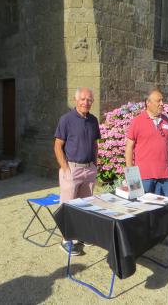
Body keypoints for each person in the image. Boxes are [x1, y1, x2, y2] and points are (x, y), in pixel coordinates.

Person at [54, 87, 100, 255]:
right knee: (67, 205)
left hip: (89, 169)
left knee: (85, 205)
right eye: (83, 99)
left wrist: (95, 164)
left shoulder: (93, 120)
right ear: (76, 100)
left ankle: (82, 234)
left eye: (89, 100)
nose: (86, 102)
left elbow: (95, 144)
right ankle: (65, 240)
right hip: (72, 169)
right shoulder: (66, 119)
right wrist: (65, 168)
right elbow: (58, 145)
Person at [125, 89, 168, 195]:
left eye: (162, 100)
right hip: (144, 177)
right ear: (148, 102)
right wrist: (130, 173)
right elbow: (129, 147)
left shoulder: (165, 120)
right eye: (158, 101)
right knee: (144, 208)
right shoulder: (137, 121)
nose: (162, 104)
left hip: (164, 175)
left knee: (165, 208)